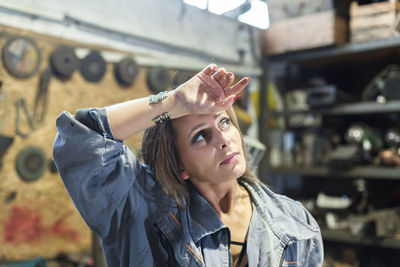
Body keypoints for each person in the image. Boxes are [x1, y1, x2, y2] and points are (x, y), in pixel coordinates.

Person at [53, 64, 323, 267]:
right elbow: (82, 140)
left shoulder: (296, 221)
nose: (223, 140)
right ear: (179, 165)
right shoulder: (143, 211)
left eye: (224, 122)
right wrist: (174, 102)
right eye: (200, 136)